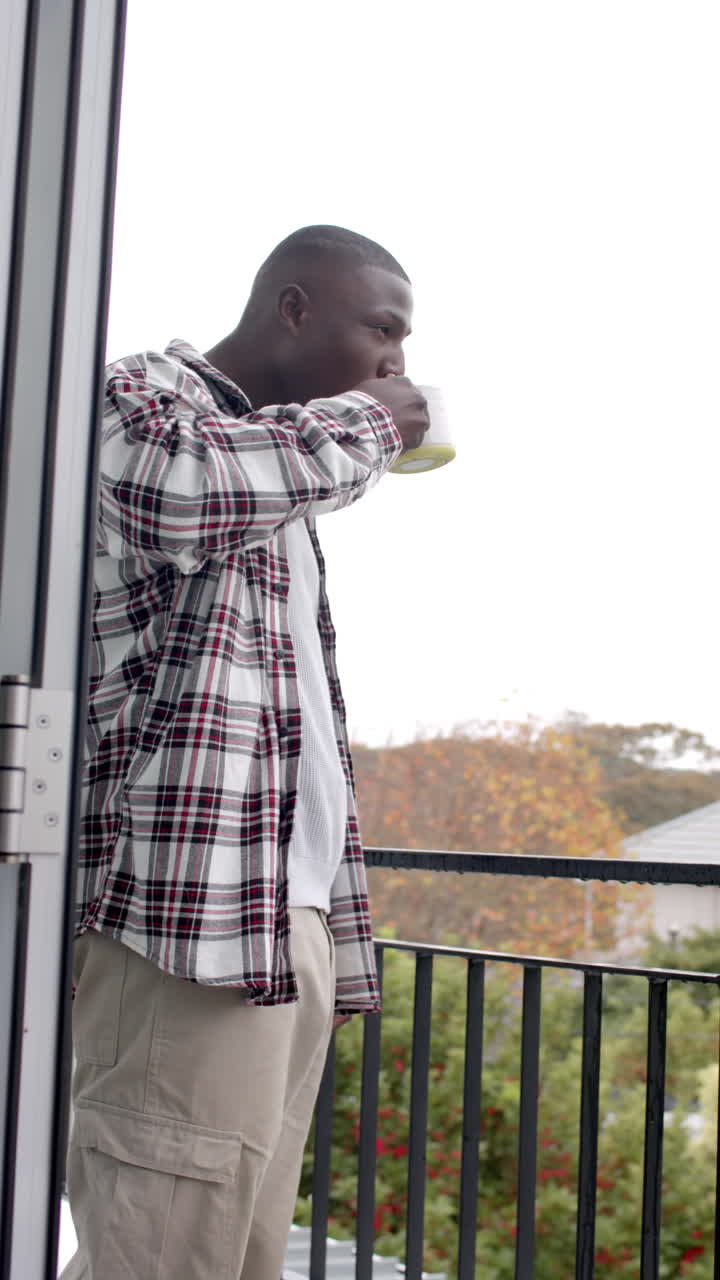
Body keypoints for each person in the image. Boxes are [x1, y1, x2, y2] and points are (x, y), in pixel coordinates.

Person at [61, 225, 429, 1279]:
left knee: (238, 1252)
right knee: (159, 1249)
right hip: (186, 928)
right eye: (384, 329)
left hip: (278, 927)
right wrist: (373, 422)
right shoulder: (142, 395)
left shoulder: (276, 476)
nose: (397, 361)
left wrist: (326, 937)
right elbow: (176, 490)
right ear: (295, 308)